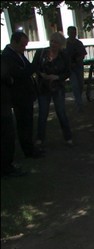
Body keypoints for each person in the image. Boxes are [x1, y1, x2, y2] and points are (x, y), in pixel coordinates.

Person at [1, 31, 42, 159]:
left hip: (26, 94)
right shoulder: (7, 56)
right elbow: (21, 74)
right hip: (19, 96)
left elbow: (27, 68)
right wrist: (36, 62)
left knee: (28, 123)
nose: (24, 48)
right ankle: (28, 150)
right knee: (23, 124)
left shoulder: (18, 54)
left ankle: (30, 148)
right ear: (15, 42)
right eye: (23, 45)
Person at [32, 31, 73, 149]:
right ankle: (40, 138)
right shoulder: (41, 53)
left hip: (57, 86)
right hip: (43, 87)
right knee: (43, 113)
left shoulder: (63, 55)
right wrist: (41, 74)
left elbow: (68, 71)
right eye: (52, 41)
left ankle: (68, 137)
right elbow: (35, 67)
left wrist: (58, 77)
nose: (53, 44)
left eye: (56, 42)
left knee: (61, 112)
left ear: (60, 45)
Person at [1, 43, 27, 177]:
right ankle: (6, 167)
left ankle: (7, 165)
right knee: (7, 135)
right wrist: (9, 79)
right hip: (3, 104)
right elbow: (7, 77)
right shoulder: (6, 57)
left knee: (8, 135)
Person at [65, 26, 87, 113]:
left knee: (80, 84)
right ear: (68, 33)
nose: (72, 34)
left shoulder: (79, 43)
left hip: (79, 66)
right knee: (75, 85)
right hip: (70, 67)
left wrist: (79, 58)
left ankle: (78, 100)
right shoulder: (65, 43)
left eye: (74, 32)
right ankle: (79, 104)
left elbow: (83, 53)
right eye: (71, 32)